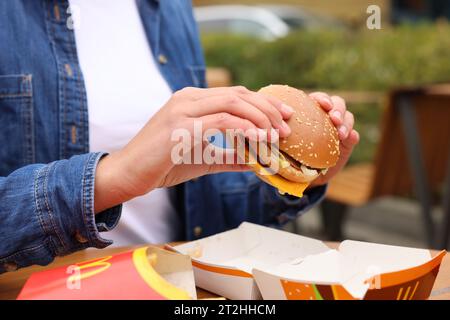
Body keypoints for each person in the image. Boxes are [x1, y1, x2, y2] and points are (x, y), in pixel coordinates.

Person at [0, 0, 359, 274]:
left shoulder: (170, 8)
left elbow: (200, 206)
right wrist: (110, 179)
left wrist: (301, 177)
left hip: (179, 284)